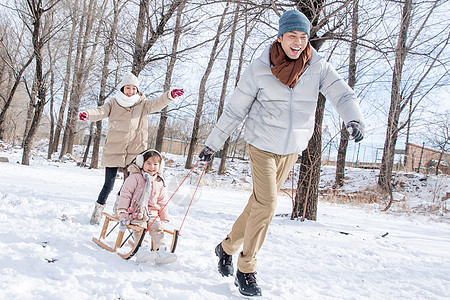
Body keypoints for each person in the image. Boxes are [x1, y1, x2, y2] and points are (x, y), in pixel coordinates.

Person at [198, 10, 365, 297]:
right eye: (292, 36)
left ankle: (225, 247)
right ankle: (246, 269)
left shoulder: (317, 66)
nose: (298, 43)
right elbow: (235, 110)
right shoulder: (259, 69)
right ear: (280, 37)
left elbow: (342, 93)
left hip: (291, 149)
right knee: (268, 204)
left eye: (303, 37)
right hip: (262, 145)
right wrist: (212, 144)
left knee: (258, 205)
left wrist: (354, 118)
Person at [79, 71, 184, 225]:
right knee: (109, 183)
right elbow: (101, 111)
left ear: (137, 90)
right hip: (114, 149)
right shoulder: (113, 103)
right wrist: (87, 114)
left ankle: (118, 209)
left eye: (133, 88)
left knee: (128, 184)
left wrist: (170, 95)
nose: (130, 91)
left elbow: (158, 102)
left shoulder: (142, 104)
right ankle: (98, 211)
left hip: (135, 152)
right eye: (127, 88)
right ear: (122, 89)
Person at [115, 149, 177, 264]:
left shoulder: (159, 181)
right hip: (136, 211)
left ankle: (161, 251)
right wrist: (123, 212)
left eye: (155, 164)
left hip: (152, 213)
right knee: (140, 227)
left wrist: (164, 218)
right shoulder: (135, 177)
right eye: (148, 163)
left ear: (160, 166)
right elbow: (125, 194)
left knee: (158, 229)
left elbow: (162, 202)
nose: (151, 167)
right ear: (141, 163)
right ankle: (142, 249)